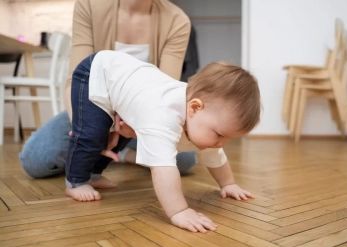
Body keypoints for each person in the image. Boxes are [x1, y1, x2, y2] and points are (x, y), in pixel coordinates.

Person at [65, 50, 261, 233]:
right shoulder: (162, 116)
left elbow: (215, 156)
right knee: (91, 135)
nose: (221, 143)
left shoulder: (202, 116)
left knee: (122, 135)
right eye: (219, 134)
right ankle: (75, 181)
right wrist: (179, 211)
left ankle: (94, 174)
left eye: (228, 138)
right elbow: (162, 168)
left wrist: (228, 184)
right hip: (97, 73)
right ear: (194, 108)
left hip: (128, 84)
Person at [19, 0, 197, 178]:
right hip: (91, 106)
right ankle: (119, 152)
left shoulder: (177, 21)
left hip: (142, 118)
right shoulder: (89, 5)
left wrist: (125, 128)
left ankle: (122, 151)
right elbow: (74, 80)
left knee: (183, 160)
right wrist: (88, 132)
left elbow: (163, 96)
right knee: (36, 159)